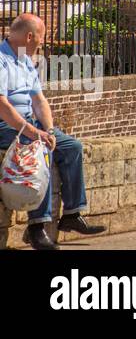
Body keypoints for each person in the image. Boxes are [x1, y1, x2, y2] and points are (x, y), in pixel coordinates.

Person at [0, 13, 106, 250]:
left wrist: (47, 129)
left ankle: (72, 214)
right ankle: (37, 227)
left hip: (28, 123)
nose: (42, 43)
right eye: (41, 38)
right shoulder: (1, 60)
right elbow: (2, 106)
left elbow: (39, 101)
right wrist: (32, 133)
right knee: (41, 151)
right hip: (5, 125)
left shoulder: (25, 59)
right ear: (30, 36)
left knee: (71, 147)